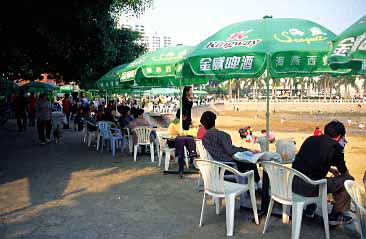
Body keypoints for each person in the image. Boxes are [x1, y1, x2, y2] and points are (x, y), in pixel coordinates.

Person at [292, 120, 354, 225]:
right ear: (339, 136)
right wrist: (346, 176)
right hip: (309, 188)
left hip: (295, 183)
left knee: (317, 174)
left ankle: (310, 208)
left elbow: (309, 160)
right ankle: (335, 215)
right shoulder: (335, 147)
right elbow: (343, 171)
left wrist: (330, 169)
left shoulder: (310, 139)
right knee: (349, 181)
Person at [200, 111, 261, 186]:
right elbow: (231, 151)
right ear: (214, 121)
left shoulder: (204, 138)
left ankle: (255, 186)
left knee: (245, 162)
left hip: (215, 167)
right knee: (251, 163)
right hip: (228, 167)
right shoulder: (222, 135)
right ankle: (258, 185)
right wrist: (247, 150)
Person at [167, 109, 198, 178]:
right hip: (172, 142)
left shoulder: (176, 121)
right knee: (186, 141)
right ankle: (191, 156)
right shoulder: (177, 123)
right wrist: (194, 132)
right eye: (185, 116)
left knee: (185, 141)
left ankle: (190, 158)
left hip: (174, 140)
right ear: (183, 116)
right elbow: (182, 133)